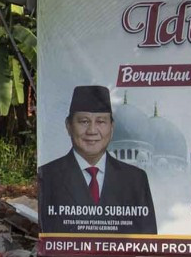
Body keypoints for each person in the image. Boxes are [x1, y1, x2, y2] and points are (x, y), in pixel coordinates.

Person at [38, 85, 158, 235]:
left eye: (101, 122)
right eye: (84, 121)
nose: (92, 131)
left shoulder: (135, 179)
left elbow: (147, 240)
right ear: (68, 126)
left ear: (112, 128)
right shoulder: (48, 176)